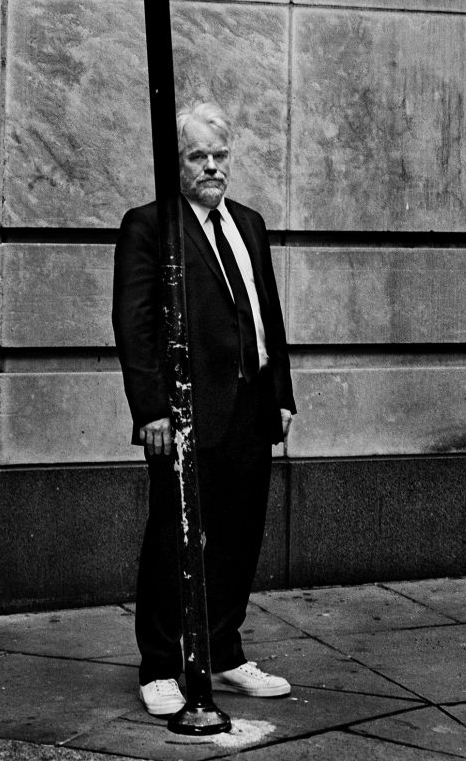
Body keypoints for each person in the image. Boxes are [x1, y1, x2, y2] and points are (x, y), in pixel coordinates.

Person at [112, 101, 296, 717]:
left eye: (220, 155)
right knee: (172, 535)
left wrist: (282, 395)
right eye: (198, 156)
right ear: (176, 163)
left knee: (241, 533)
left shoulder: (249, 223)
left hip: (250, 407)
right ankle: (161, 665)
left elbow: (266, 313)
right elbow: (135, 326)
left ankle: (223, 650)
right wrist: (152, 410)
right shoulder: (149, 225)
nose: (212, 167)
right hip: (186, 414)